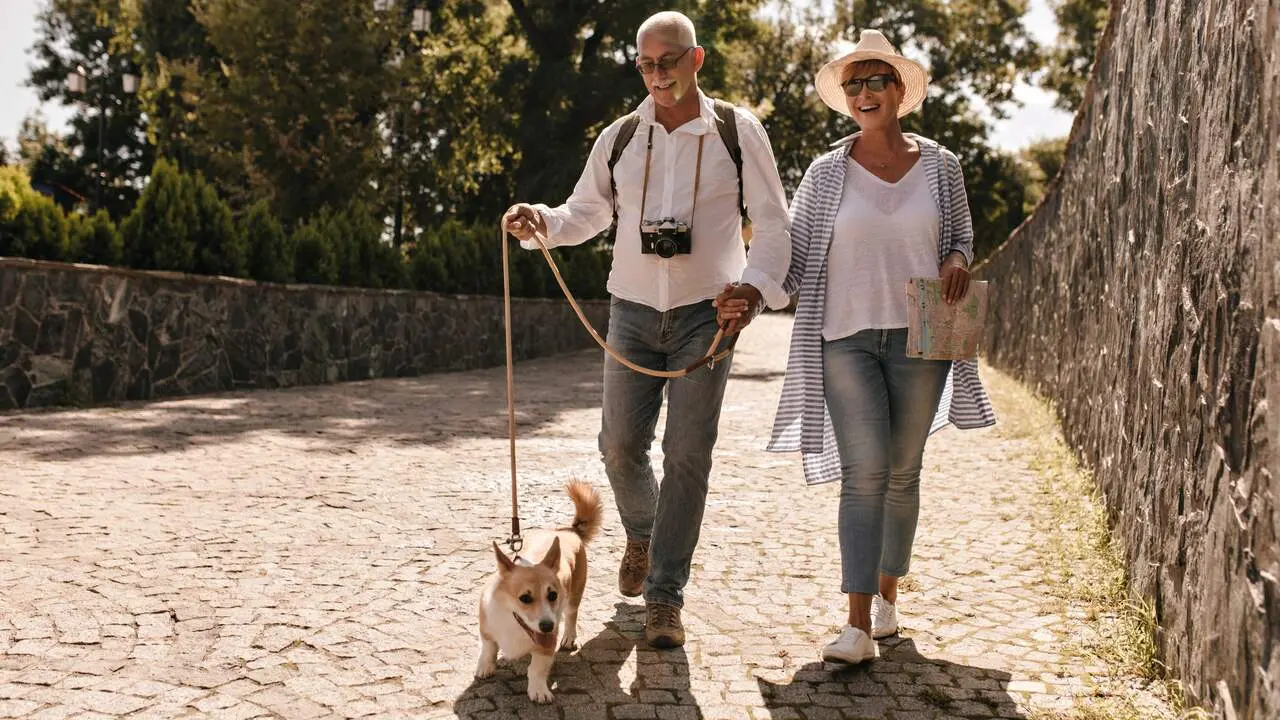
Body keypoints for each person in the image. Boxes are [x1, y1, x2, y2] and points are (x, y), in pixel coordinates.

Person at [503, 10, 792, 649]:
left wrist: (751, 289)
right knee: (617, 448)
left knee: (687, 456)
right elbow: (585, 212)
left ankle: (665, 596)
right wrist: (540, 222)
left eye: (669, 61)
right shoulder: (621, 137)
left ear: (697, 60)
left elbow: (773, 226)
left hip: (707, 314)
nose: (657, 74)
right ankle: (644, 530)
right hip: (631, 310)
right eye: (646, 63)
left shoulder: (739, 133)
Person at [717, 29, 997, 664]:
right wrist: (752, 294)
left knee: (903, 472)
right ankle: (857, 625)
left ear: (900, 91)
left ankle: (889, 600)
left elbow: (959, 235)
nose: (866, 93)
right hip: (842, 337)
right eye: (855, 84)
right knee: (865, 473)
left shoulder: (942, 165)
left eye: (877, 81)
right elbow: (793, 257)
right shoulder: (824, 171)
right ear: (845, 99)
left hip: (921, 338)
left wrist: (955, 259)